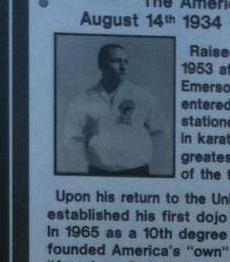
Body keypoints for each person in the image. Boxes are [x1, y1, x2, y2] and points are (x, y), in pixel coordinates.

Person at [61, 43, 168, 176]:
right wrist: (89, 160)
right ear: (101, 65)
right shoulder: (85, 98)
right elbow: (71, 137)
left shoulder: (142, 96)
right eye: (116, 61)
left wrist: (143, 156)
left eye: (125, 61)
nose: (123, 67)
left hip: (137, 171)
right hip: (98, 172)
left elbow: (162, 132)